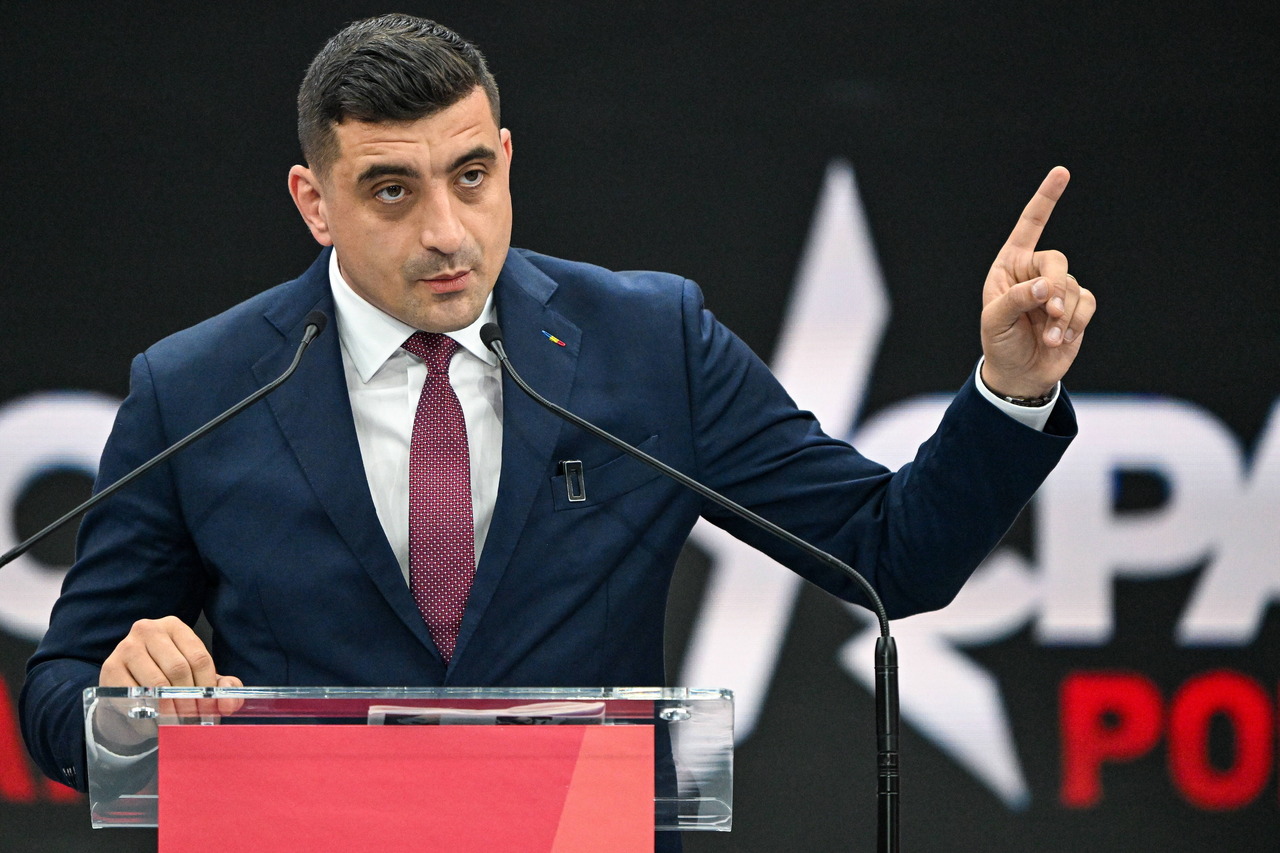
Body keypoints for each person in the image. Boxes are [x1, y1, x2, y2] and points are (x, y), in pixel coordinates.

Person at [22, 11, 1092, 812]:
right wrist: (125, 706)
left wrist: (1010, 389)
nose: (447, 232)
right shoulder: (199, 386)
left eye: (470, 176)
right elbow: (59, 692)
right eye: (392, 190)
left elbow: (892, 553)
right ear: (315, 202)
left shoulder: (650, 342)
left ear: (506, 160)